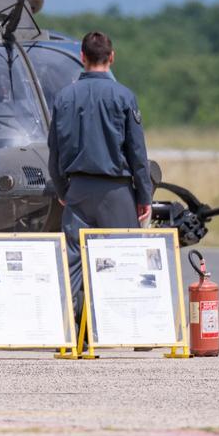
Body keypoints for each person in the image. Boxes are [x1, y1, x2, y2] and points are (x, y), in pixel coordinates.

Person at [46, 31, 154, 311]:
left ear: (82, 57)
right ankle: (123, 324)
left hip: (77, 191)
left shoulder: (64, 97)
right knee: (124, 261)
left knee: (71, 265)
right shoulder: (124, 96)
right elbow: (137, 153)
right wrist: (144, 196)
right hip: (116, 192)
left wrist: (63, 191)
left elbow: (54, 152)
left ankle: (64, 327)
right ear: (112, 57)